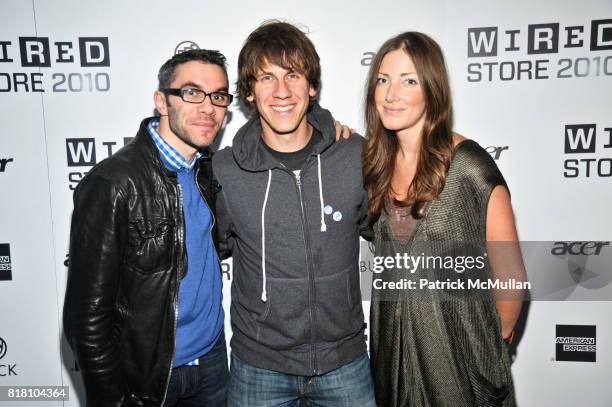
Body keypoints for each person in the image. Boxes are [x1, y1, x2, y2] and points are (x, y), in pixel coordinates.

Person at [213, 21, 376, 407]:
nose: (281, 91)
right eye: (266, 78)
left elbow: (394, 232)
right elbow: (206, 255)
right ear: (249, 93)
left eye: (293, 75)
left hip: (345, 361)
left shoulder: (355, 155)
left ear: (312, 86)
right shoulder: (224, 170)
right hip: (259, 366)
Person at [364, 32, 525, 407]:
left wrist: (488, 347)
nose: (391, 94)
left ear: (432, 89)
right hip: (393, 362)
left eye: (409, 81)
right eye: (383, 80)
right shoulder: (376, 166)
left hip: (459, 364)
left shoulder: (469, 166)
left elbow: (511, 277)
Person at [63, 49, 231, 407]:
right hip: (149, 376)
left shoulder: (208, 172)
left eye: (218, 96)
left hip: (212, 362)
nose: (207, 108)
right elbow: (86, 317)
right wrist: (112, 398)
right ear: (161, 101)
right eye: (191, 92)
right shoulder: (114, 183)